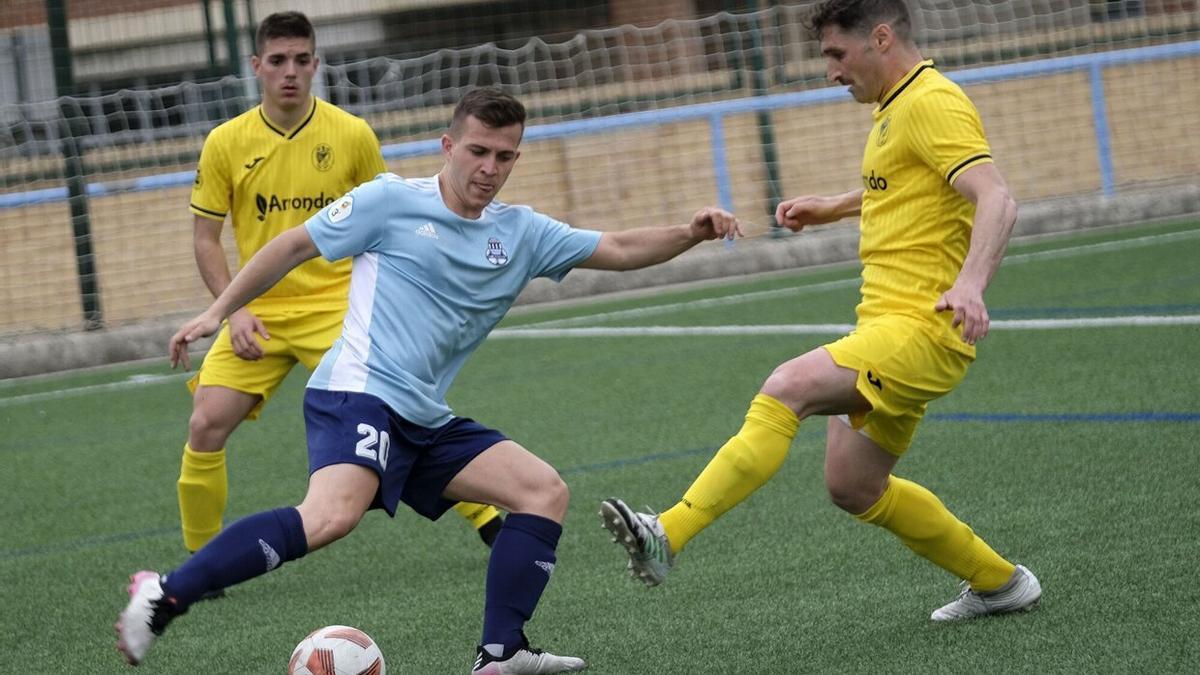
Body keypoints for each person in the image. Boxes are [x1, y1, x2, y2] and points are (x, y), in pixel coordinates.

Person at [116, 87, 742, 672]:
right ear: (448, 147)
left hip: (421, 413)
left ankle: (501, 652)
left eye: (504, 156)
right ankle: (166, 594)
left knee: (542, 491)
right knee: (332, 516)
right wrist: (216, 311)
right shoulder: (389, 201)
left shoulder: (521, 233)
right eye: (477, 151)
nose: (489, 168)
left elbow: (622, 248)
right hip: (358, 390)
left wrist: (689, 233)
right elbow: (291, 247)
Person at [601, 0, 1041, 621]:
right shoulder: (897, 106)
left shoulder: (931, 102)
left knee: (788, 386)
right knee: (854, 487)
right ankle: (1000, 582)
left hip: (921, 327)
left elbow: (996, 196)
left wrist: (971, 285)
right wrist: (833, 207)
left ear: (881, 38)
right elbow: (911, 189)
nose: (831, 72)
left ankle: (667, 533)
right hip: (889, 326)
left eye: (837, 54)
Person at [180, 10, 502, 566]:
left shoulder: (351, 135)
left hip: (338, 305)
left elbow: (391, 220)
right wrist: (233, 312)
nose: (290, 72)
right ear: (256, 66)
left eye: (301, 61)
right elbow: (206, 239)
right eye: (277, 61)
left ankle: (491, 519)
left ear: (316, 65)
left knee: (406, 410)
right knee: (206, 421)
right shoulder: (225, 143)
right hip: (258, 312)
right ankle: (201, 561)